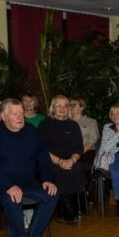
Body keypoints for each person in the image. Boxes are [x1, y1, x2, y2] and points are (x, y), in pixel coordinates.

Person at [0, 99, 58, 237]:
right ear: (3, 116)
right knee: (13, 198)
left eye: (21, 114)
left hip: (26, 182)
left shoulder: (31, 131)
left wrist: (47, 179)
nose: (20, 117)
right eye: (14, 114)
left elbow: (43, 159)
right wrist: (7, 185)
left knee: (51, 193)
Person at [38, 95, 85, 223]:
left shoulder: (73, 125)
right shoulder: (45, 124)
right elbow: (41, 150)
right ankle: (67, 209)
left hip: (70, 160)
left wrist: (72, 160)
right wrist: (59, 161)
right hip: (51, 160)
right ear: (52, 108)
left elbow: (79, 148)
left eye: (65, 105)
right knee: (62, 171)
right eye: (58, 105)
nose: (62, 108)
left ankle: (66, 207)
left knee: (76, 168)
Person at [69, 97, 100, 174]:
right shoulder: (66, 123)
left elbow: (92, 141)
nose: (71, 107)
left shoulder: (91, 122)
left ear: (82, 108)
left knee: (78, 166)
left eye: (74, 105)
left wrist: (78, 153)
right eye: (70, 105)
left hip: (86, 152)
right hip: (68, 152)